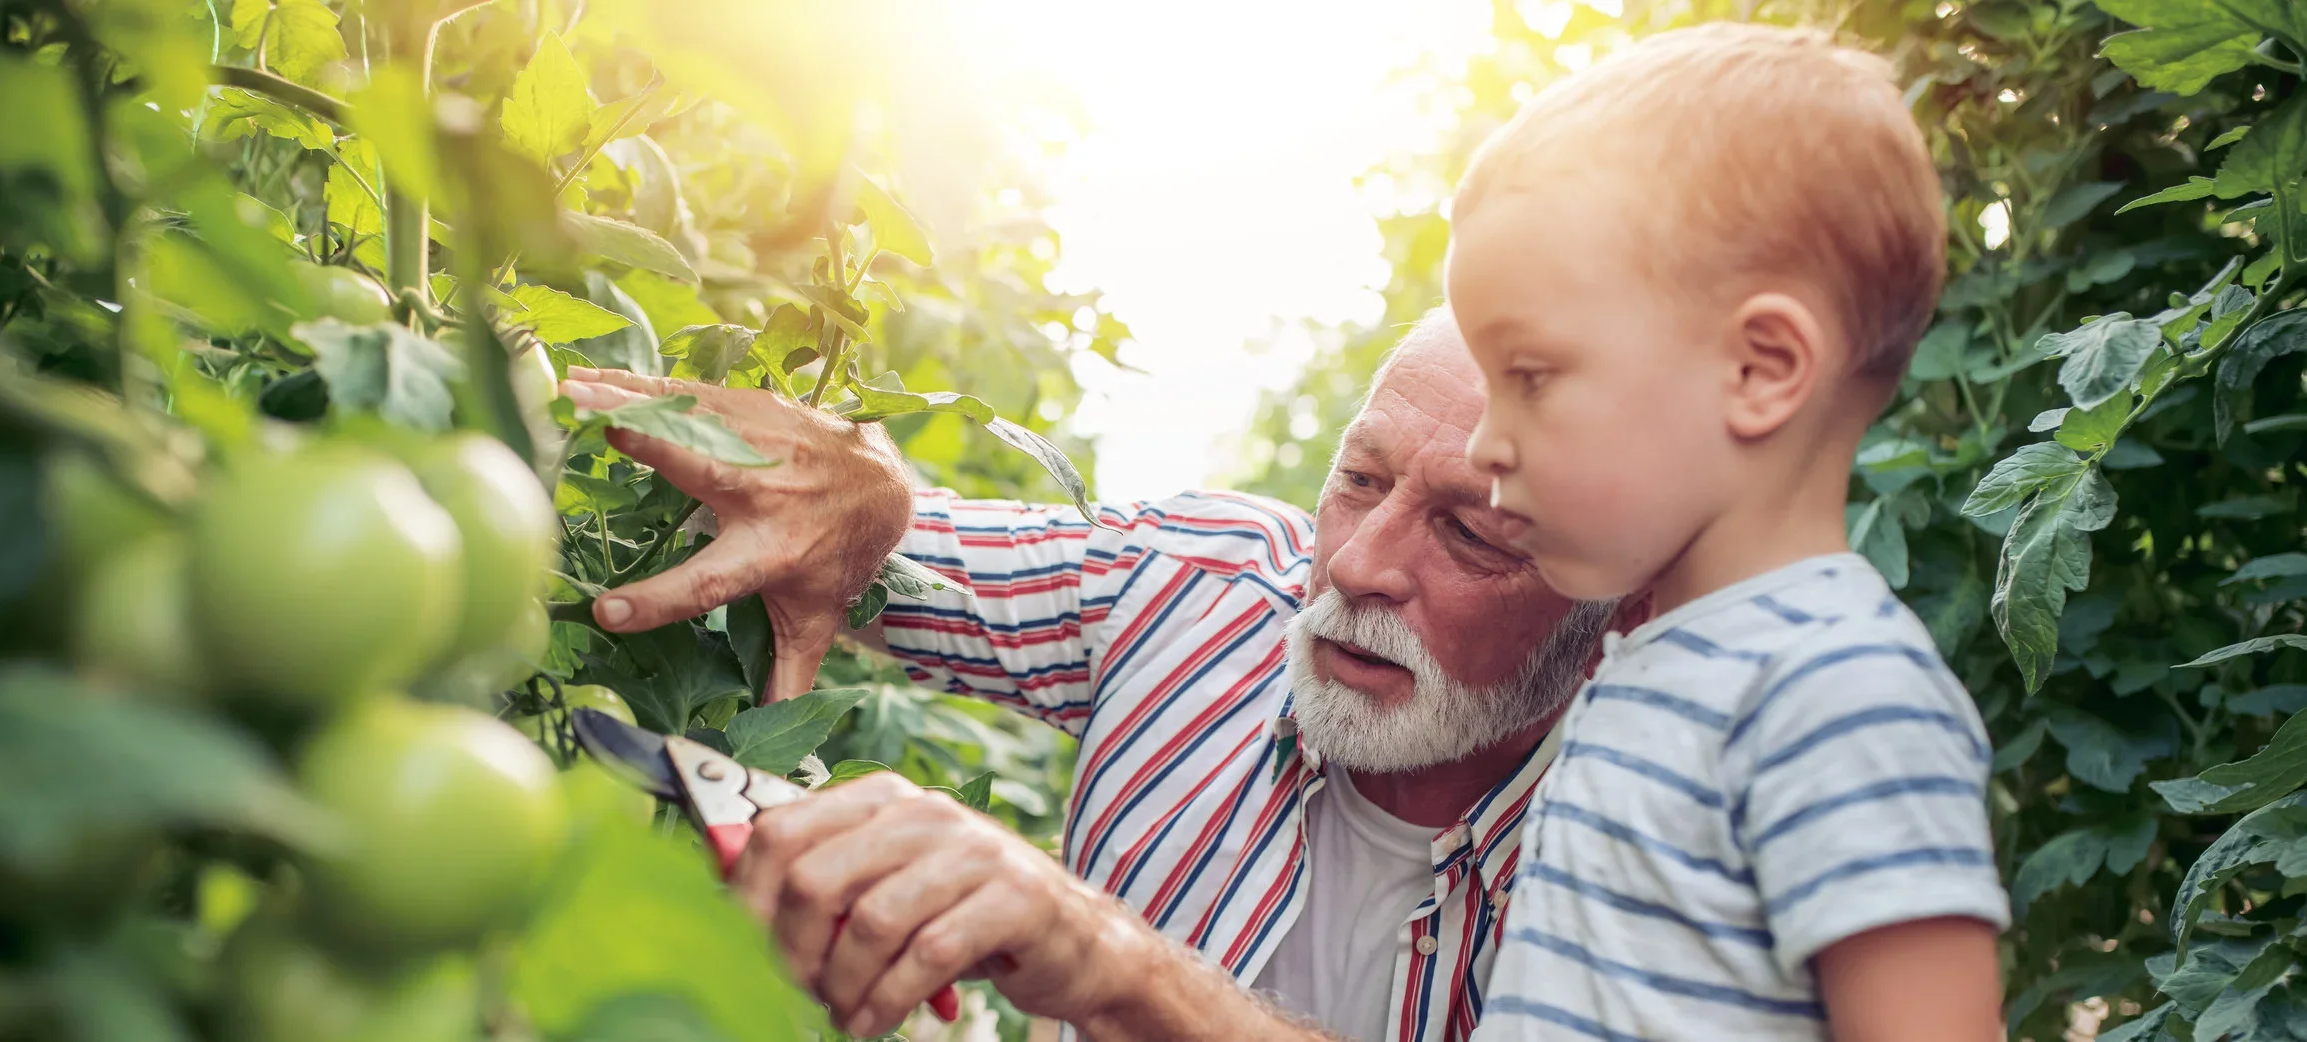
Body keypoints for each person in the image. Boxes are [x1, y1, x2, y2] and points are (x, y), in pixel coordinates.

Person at [558, 310, 1638, 1041]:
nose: (1356, 567)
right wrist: (863, 500)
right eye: (1359, 479)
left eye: (1471, 536)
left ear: (1618, 607)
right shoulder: (1197, 592)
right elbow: (889, 546)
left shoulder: (1660, 840)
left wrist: (1105, 958)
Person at [1444, 24, 2007, 1042]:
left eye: (1527, 375)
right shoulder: (1665, 666)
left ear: (1760, 369)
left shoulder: (1836, 687)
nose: (1483, 440)